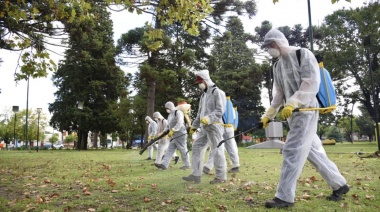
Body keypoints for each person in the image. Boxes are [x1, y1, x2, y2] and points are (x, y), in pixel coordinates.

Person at [260, 29, 349, 208]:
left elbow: (311, 82)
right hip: (292, 115)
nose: (270, 49)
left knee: (292, 150)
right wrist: (269, 114)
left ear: (279, 42)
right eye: (267, 47)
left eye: (271, 45)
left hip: (306, 110)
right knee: (312, 151)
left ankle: (284, 197)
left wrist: (294, 101)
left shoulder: (303, 54)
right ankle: (340, 184)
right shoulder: (277, 66)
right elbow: (279, 92)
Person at [182, 70, 227, 184]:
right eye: (198, 83)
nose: (199, 85)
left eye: (200, 82)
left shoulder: (218, 92)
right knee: (196, 147)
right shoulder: (203, 95)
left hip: (215, 126)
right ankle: (196, 174)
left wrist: (209, 118)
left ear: (206, 80)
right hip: (204, 127)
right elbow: (199, 114)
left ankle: (221, 177)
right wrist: (194, 126)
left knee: (217, 151)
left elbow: (220, 110)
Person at [203, 95, 240, 174]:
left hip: (220, 126)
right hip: (230, 127)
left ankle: (208, 166)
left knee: (216, 146)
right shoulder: (229, 102)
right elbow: (234, 116)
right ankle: (235, 165)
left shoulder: (217, 101)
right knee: (231, 146)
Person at [154, 102, 190, 170]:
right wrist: (165, 131)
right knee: (169, 150)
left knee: (183, 149)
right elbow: (168, 125)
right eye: (166, 108)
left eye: (167, 108)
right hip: (173, 136)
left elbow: (180, 122)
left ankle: (187, 164)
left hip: (181, 134)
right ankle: (164, 165)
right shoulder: (170, 115)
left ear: (171, 107)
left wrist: (173, 129)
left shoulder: (178, 112)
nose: (167, 110)